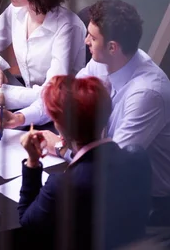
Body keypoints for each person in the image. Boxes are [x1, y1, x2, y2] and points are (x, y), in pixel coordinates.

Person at [0, 0, 170, 224]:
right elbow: (63, 96)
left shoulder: (148, 95)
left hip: (148, 203)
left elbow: (112, 167)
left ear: (113, 47)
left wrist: (61, 147)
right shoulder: (105, 61)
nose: (86, 42)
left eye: (92, 38)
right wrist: (21, 117)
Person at [17, 75, 151, 249]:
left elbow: (27, 222)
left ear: (60, 128)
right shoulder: (137, 157)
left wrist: (32, 162)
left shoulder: (63, 185)